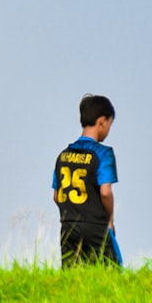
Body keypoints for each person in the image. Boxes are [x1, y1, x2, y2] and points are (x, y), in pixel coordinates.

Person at [52, 94, 122, 267]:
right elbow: (105, 192)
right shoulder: (104, 153)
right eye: (110, 125)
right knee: (112, 274)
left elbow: (56, 196)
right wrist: (110, 218)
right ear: (102, 121)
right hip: (95, 226)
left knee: (71, 278)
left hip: (68, 226)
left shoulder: (63, 155)